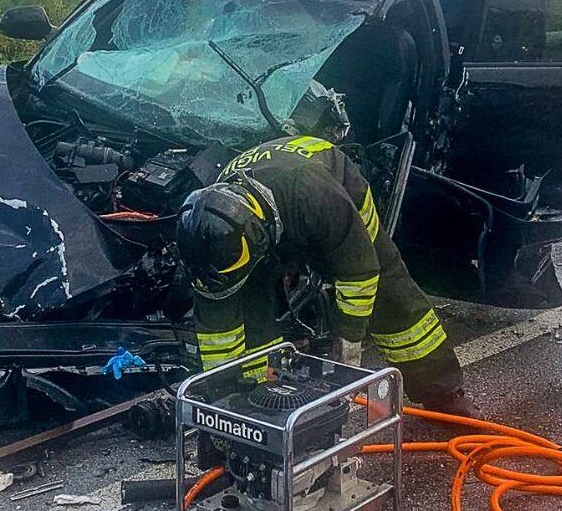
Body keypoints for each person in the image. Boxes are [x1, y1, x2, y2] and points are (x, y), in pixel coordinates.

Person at [177, 135, 475, 416]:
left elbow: (359, 272)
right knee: (250, 307)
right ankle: (260, 404)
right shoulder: (210, 232)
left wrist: (347, 348)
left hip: (337, 196)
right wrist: (223, 406)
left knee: (389, 293)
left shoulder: (315, 194)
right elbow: (216, 332)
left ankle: (443, 393)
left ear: (258, 238)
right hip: (272, 217)